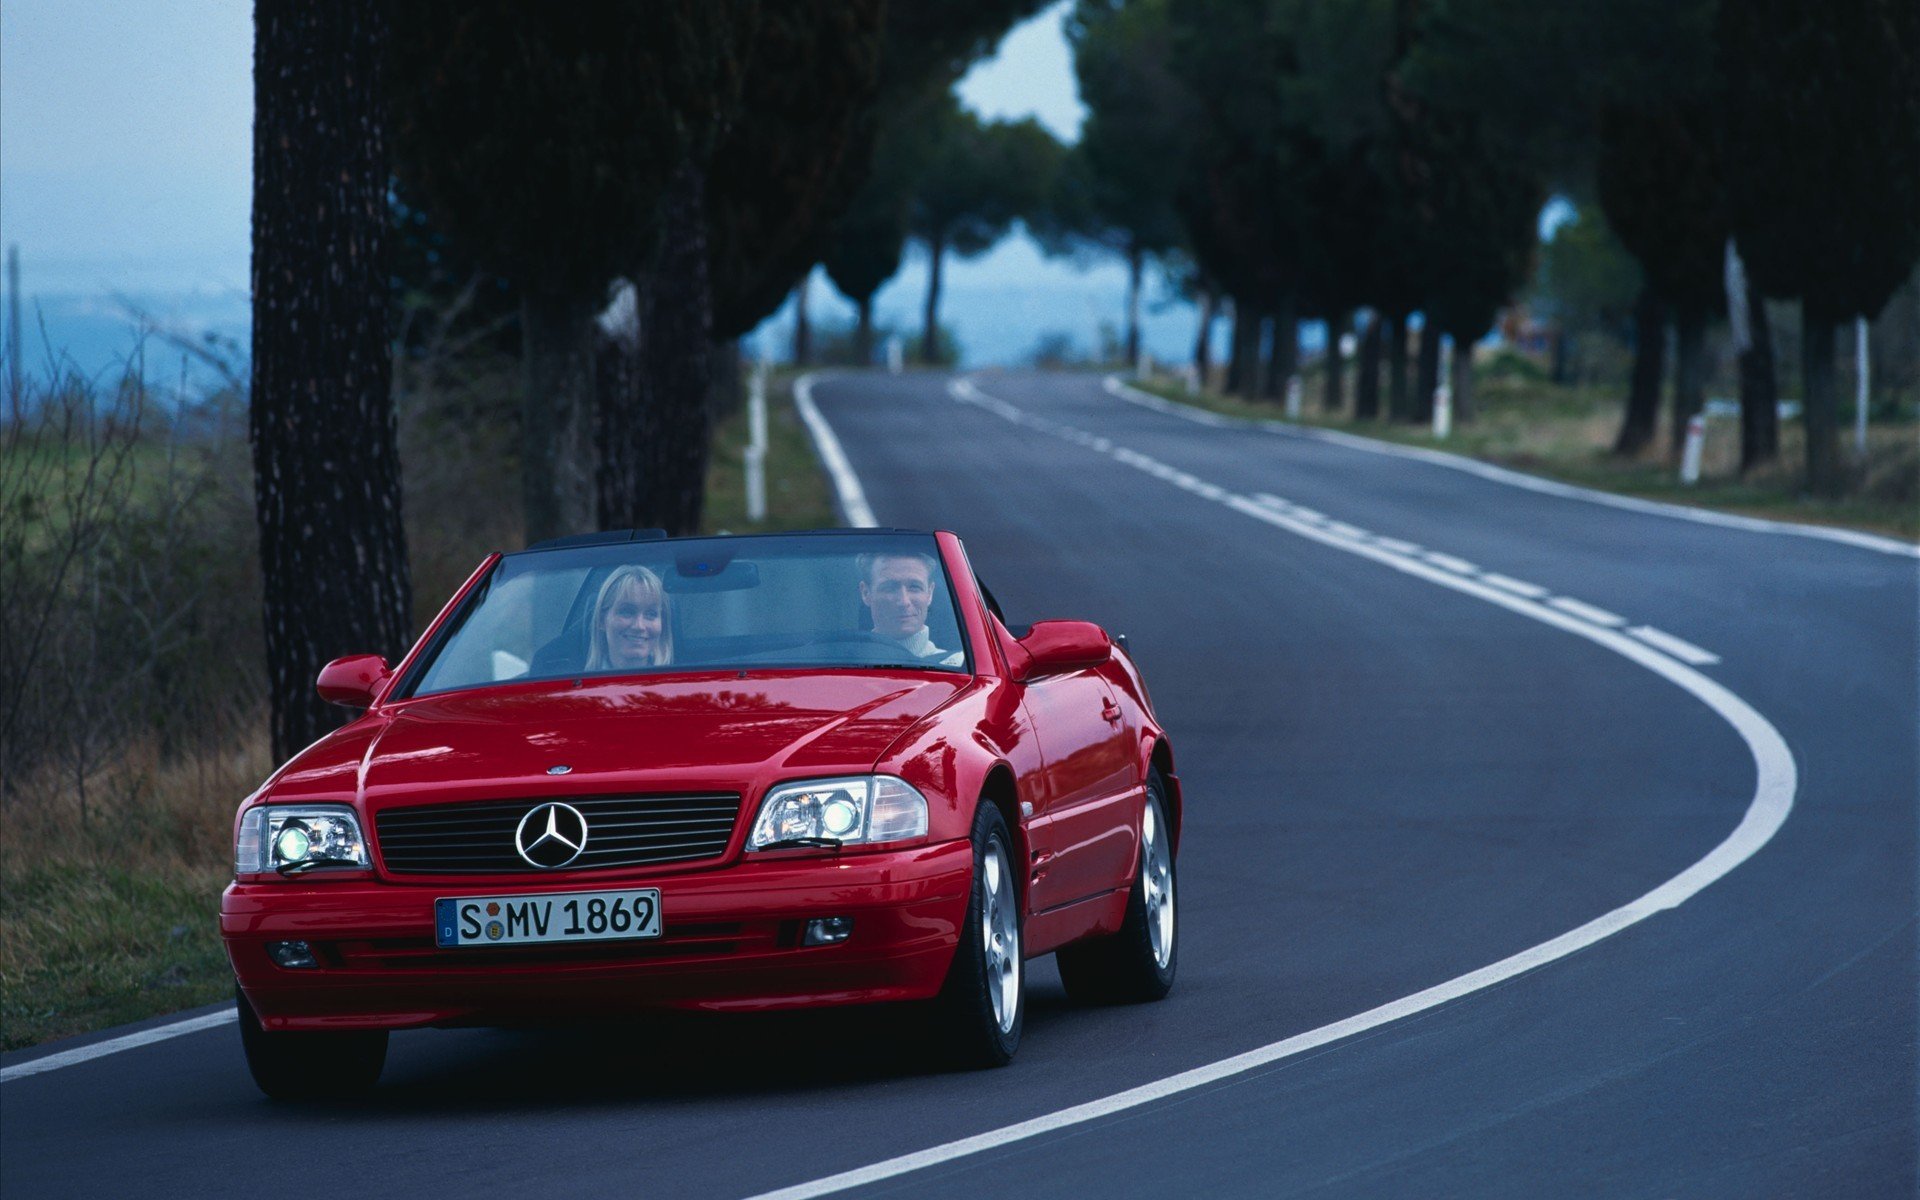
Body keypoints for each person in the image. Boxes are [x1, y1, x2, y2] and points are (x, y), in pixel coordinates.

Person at [856, 551, 962, 667]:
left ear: (930, 593)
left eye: (914, 587)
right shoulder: (847, 664)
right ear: (866, 593)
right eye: (890, 588)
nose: (904, 602)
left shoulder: (959, 665)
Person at [586, 565, 673, 670]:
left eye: (651, 614)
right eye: (627, 612)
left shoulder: (680, 680)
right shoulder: (575, 678)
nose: (639, 626)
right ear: (601, 620)